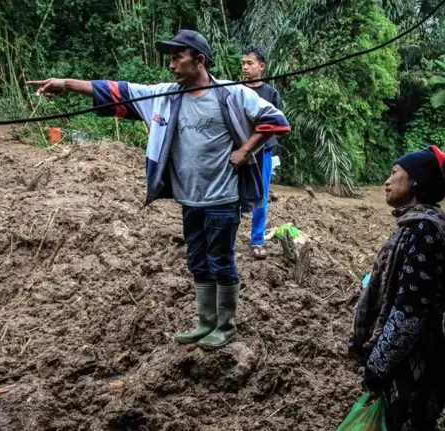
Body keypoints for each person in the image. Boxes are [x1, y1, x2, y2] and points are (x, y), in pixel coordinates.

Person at [28, 29, 290, 349]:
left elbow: (277, 121)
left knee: (221, 261)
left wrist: (246, 150)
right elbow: (117, 92)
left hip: (222, 198)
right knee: (197, 261)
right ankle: (206, 321)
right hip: (189, 198)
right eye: (171, 58)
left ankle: (226, 324)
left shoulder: (231, 94)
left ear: (199, 60)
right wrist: (67, 85)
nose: (171, 64)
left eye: (177, 57)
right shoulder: (166, 95)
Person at [348, 145, 445, 430]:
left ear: (416, 181)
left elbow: (409, 313)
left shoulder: (425, 233)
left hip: (413, 365)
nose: (387, 181)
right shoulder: (425, 227)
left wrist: (377, 367)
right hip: (422, 360)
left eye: (395, 173)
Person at [241, 45, 283, 259]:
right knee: (233, 194)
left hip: (263, 152)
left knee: (261, 196)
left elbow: (279, 122)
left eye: (250, 63)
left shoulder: (270, 93)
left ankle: (257, 239)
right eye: (243, 63)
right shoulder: (237, 89)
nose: (245, 67)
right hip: (239, 151)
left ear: (261, 66)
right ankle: (229, 235)